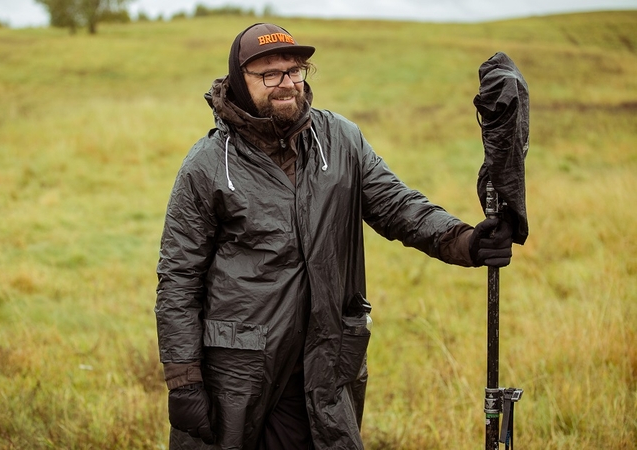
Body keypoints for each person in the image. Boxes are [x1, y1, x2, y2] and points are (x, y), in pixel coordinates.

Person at [155, 23, 513, 450]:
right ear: (238, 79)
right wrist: (183, 379)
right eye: (269, 74)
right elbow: (178, 276)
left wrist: (465, 241)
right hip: (240, 367)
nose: (287, 83)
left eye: (295, 70)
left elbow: (397, 206)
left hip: (324, 357)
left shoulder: (341, 140)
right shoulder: (209, 164)